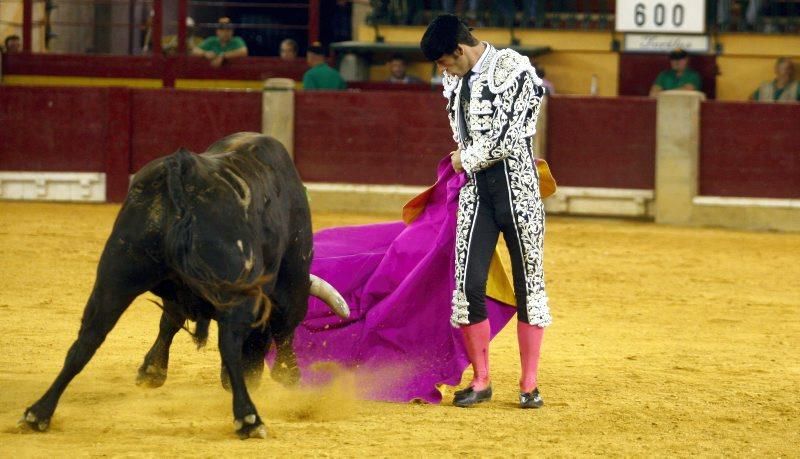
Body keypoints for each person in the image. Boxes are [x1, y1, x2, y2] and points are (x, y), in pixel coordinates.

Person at [420, 14, 551, 409]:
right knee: (467, 285)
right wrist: (464, 159)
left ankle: (529, 385)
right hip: (477, 194)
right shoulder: (453, 80)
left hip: (519, 191)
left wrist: (465, 159)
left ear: (459, 50)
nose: (444, 71)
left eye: (445, 62)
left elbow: (513, 136)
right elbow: (463, 131)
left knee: (530, 284)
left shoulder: (516, 69)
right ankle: (481, 380)